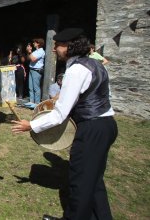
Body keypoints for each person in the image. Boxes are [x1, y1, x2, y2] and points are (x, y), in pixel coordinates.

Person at [12, 28, 118, 220]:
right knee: (94, 181)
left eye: (58, 45)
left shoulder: (76, 70)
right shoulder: (94, 64)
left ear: (69, 46)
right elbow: (90, 93)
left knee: (80, 181)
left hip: (91, 129)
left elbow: (60, 115)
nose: (54, 50)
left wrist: (32, 125)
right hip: (107, 125)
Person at [26, 38, 45, 105]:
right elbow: (28, 58)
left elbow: (33, 59)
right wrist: (29, 52)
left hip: (36, 71)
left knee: (36, 88)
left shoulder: (41, 51)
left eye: (34, 42)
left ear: (38, 43)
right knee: (30, 87)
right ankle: (31, 101)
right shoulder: (35, 51)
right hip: (31, 69)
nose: (33, 43)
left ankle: (37, 103)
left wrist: (30, 52)